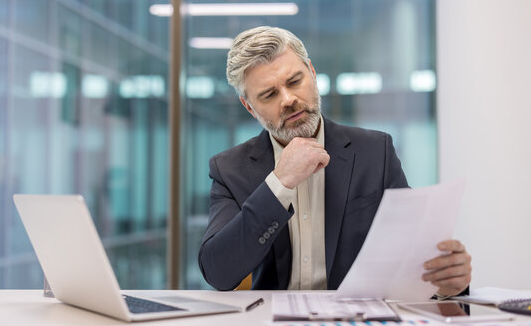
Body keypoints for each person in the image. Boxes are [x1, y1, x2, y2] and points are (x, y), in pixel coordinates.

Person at [198, 26, 472, 295]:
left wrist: (446, 284)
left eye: (295, 81)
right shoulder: (229, 169)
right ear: (249, 107)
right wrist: (279, 184)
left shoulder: (376, 151)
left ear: (313, 74)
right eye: (269, 94)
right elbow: (219, 272)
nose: (289, 99)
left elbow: (413, 254)